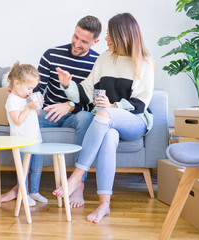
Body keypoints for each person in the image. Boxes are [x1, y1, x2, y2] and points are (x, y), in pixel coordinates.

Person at [53, 13, 155, 223]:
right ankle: (104, 204)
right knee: (108, 135)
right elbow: (86, 92)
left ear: (123, 37)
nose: (106, 39)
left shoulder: (143, 62)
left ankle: (75, 178)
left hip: (134, 120)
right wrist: (67, 84)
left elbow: (140, 103)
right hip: (107, 121)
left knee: (103, 113)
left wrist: (113, 106)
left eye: (110, 35)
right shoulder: (104, 59)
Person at [0, 15, 102, 208]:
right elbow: (36, 90)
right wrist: (19, 96)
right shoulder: (51, 55)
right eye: (75, 36)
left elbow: (91, 102)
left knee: (86, 118)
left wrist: (69, 106)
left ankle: (77, 184)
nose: (77, 43)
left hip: (75, 114)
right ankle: (22, 185)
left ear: (95, 41)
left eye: (84, 41)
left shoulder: (97, 63)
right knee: (22, 124)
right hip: (48, 113)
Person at [4, 61, 45, 206]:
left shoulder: (28, 97)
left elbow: (38, 113)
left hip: (36, 140)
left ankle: (34, 191)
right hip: (21, 142)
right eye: (29, 87)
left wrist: (38, 104)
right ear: (16, 83)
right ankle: (24, 193)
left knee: (37, 168)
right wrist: (28, 107)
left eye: (33, 88)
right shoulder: (12, 100)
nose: (30, 91)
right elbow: (17, 120)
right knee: (23, 170)